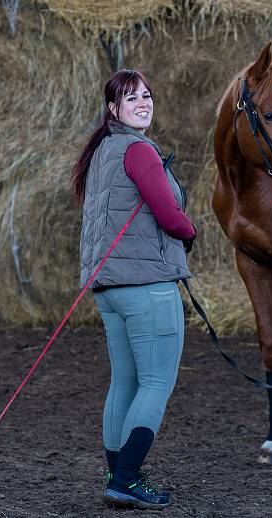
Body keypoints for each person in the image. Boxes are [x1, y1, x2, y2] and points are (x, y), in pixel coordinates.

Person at [71, 69, 196, 510]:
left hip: (109, 290)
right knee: (156, 383)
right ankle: (126, 479)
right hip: (148, 288)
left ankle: (117, 475)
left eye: (146, 95)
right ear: (113, 110)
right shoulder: (139, 150)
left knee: (124, 383)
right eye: (130, 99)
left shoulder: (103, 150)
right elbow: (168, 212)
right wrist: (189, 231)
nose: (142, 103)